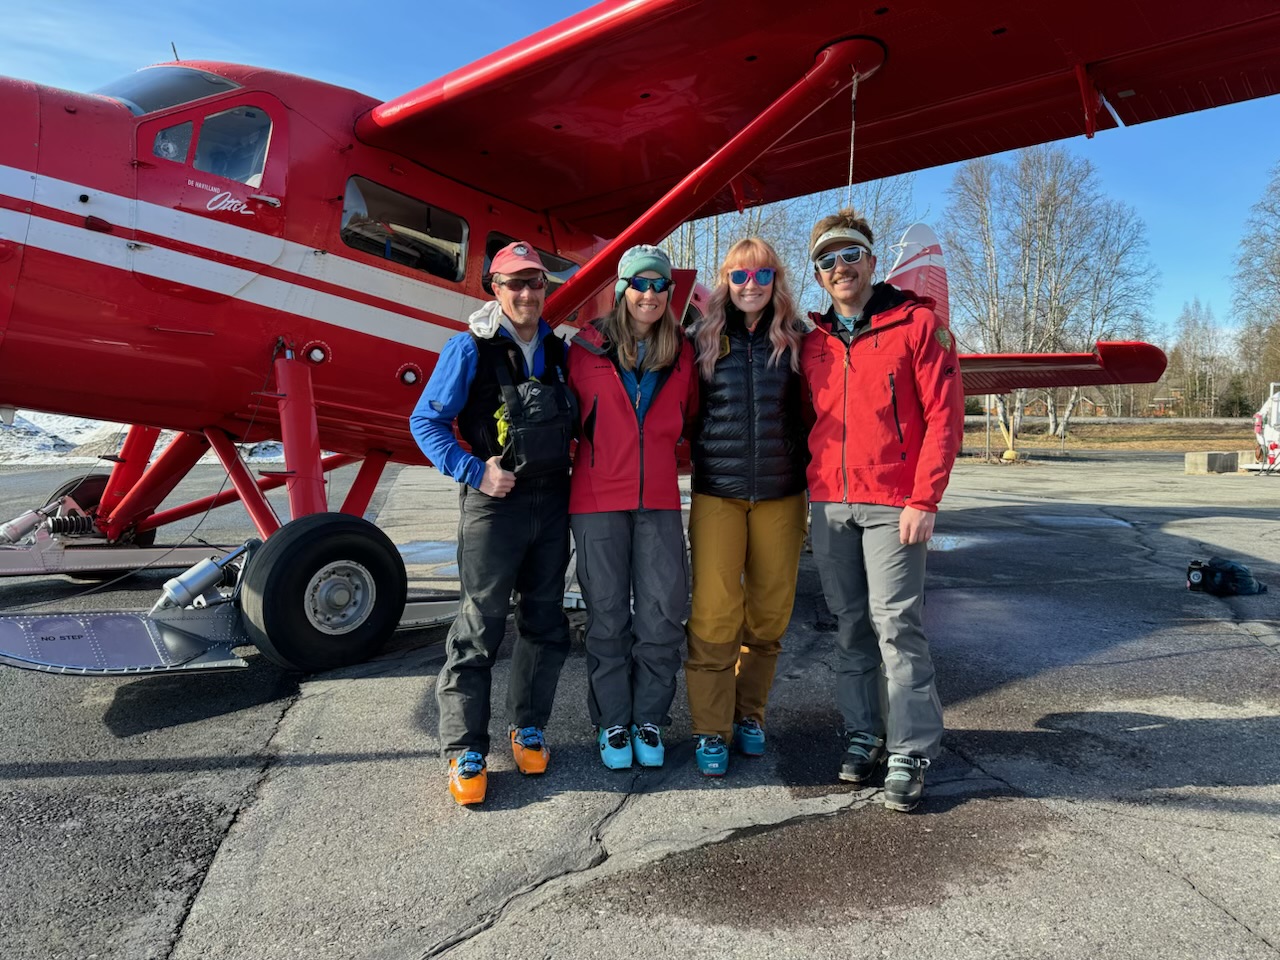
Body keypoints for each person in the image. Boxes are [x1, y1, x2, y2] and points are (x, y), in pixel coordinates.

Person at [800, 209, 965, 812]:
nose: (839, 267)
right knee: (849, 625)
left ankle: (911, 749)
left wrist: (926, 498)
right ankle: (865, 732)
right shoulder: (812, 342)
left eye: (849, 255)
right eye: (826, 260)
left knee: (896, 624)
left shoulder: (918, 326)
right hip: (829, 503)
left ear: (870, 261)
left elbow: (945, 418)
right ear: (817, 275)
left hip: (894, 502)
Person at [409, 240, 576, 806]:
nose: (527, 293)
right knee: (480, 626)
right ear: (494, 290)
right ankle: (464, 746)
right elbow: (426, 421)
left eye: (536, 283)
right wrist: (473, 471)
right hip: (494, 504)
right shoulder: (468, 348)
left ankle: (527, 726)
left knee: (545, 622)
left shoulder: (560, 351)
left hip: (552, 502)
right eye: (515, 284)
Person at [566, 244, 698, 771]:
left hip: (660, 499)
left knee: (663, 613)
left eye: (659, 285)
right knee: (606, 616)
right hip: (597, 499)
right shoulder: (583, 349)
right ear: (621, 290)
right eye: (638, 284)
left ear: (669, 293)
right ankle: (613, 721)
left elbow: (691, 419)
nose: (649, 294)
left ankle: (650, 718)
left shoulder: (683, 352)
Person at [685, 238, 809, 777]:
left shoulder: (801, 341)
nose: (751, 285)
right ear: (725, 282)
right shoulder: (699, 340)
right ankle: (712, 728)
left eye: (761, 275)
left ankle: (750, 714)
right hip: (719, 493)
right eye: (739, 276)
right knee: (714, 614)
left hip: (782, 493)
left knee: (768, 614)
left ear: (776, 280)